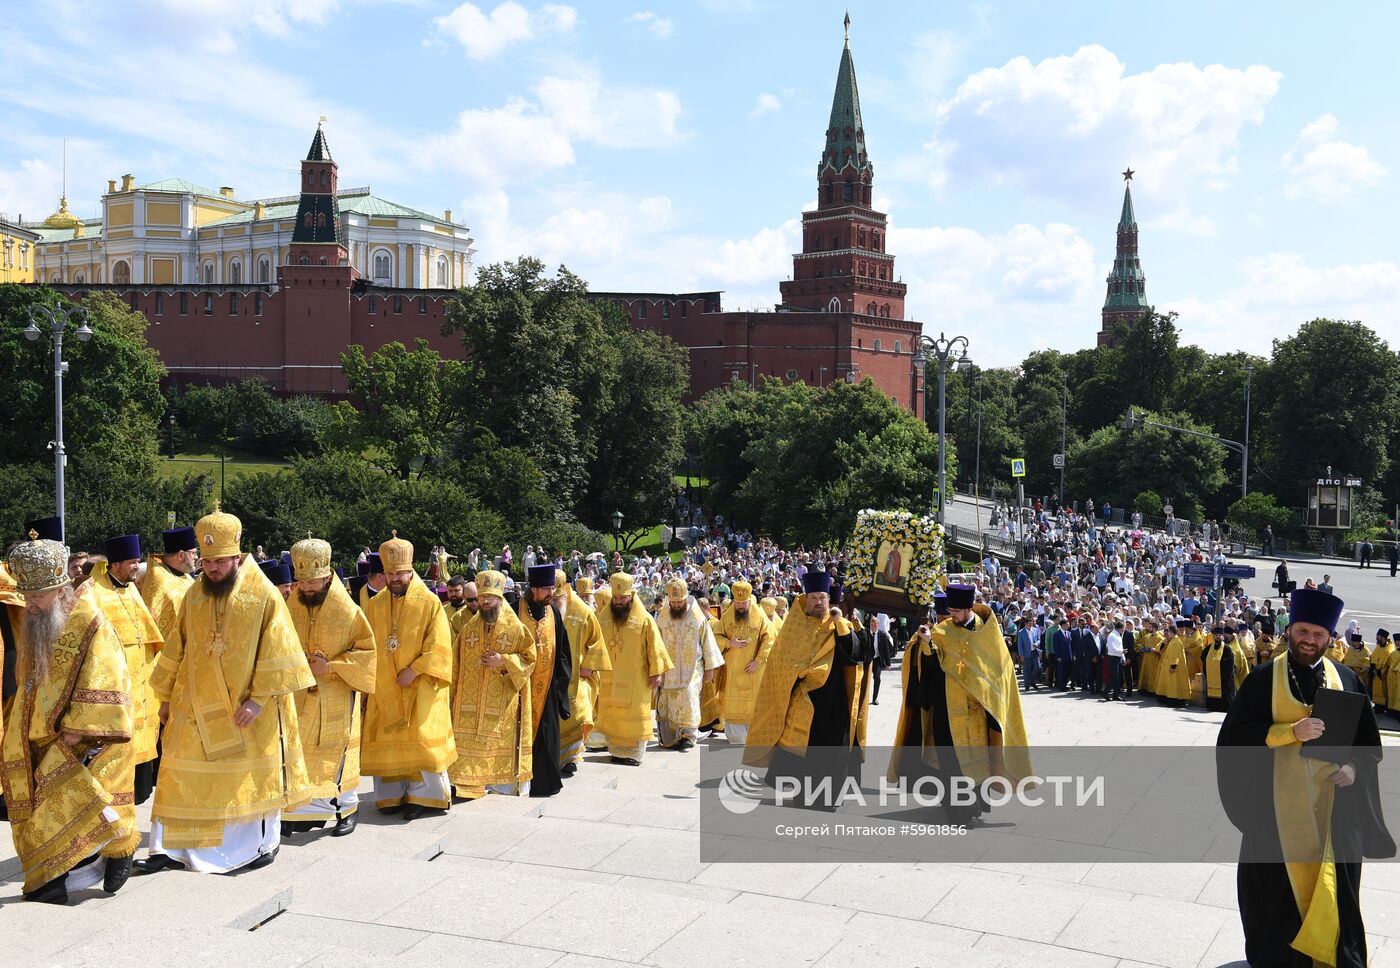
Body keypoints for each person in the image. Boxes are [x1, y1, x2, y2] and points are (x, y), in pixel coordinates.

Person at [1217, 588, 1395, 967]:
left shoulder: (1346, 679)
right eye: (1302, 632)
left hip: (1336, 812)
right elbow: (1233, 739)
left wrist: (1352, 768)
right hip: (1275, 812)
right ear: (1290, 631)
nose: (1309, 641)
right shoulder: (1263, 679)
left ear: (1330, 638)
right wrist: (1288, 733)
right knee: (1274, 895)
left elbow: (1369, 744)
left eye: (1318, 635)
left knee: (1338, 891)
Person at [137, 506, 315, 876]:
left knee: (244, 780)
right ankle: (171, 849)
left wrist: (258, 701)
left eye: (220, 561)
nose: (212, 568)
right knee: (179, 771)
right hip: (192, 705)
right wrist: (166, 698)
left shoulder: (263, 595)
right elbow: (177, 646)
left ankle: (255, 846)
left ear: (237, 556)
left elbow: (280, 653)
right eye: (207, 561)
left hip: (245, 708)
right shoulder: (195, 595)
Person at [3, 533, 134, 903]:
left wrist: (78, 730)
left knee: (68, 810)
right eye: (26, 596)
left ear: (61, 589)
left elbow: (107, 676)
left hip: (78, 738)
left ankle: (116, 849)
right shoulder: (37, 621)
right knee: (38, 815)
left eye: (37, 596)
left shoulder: (90, 622)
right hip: (32, 738)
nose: (29, 606)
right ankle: (53, 880)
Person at [888, 583, 1033, 825]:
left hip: (976, 712)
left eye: (954, 611)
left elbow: (1000, 671)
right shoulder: (943, 632)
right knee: (951, 762)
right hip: (945, 709)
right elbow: (931, 667)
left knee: (977, 760)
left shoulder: (987, 634)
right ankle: (958, 810)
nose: (950, 615)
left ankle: (975, 805)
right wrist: (925, 644)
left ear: (967, 609)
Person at [742, 572, 870, 808]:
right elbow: (780, 662)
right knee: (804, 751)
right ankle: (802, 795)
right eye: (813, 598)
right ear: (806, 599)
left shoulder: (842, 623)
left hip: (835, 700)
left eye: (822, 597)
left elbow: (856, 655)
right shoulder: (795, 625)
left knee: (831, 753)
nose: (818, 602)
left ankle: (828, 798)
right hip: (805, 699)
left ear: (829, 599)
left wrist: (840, 623)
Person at [281, 536, 376, 838]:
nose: (307, 588)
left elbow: (367, 653)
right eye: (302, 582)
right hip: (299, 692)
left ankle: (347, 809)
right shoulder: (291, 606)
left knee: (337, 751)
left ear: (327, 575)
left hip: (335, 691)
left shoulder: (348, 611)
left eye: (313, 582)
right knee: (302, 752)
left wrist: (331, 666)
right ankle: (305, 814)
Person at [85, 532, 165, 874]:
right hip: (113, 698)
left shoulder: (131, 589)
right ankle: (107, 844)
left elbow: (148, 638)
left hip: (142, 694)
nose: (138, 567)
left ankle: (120, 839)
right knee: (111, 778)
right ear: (115, 563)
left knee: (136, 781)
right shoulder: (91, 593)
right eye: (133, 562)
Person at [361, 531, 455, 819]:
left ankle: (425, 798)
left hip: (421, 685)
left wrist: (414, 670)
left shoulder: (429, 602)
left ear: (410, 570)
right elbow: (367, 645)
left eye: (400, 572)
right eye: (390, 574)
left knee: (421, 740)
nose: (395, 579)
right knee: (390, 741)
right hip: (385, 686)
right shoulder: (375, 604)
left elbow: (440, 646)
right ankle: (392, 797)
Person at [449, 570, 538, 799]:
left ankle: (502, 788)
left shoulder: (516, 629)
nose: (485, 602)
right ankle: (468, 787)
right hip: (468, 704)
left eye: (490, 598)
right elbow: (456, 663)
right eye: (481, 598)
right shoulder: (468, 629)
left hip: (503, 703)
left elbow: (530, 660)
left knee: (499, 746)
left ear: (500, 599)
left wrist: (504, 661)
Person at [594, 573, 672, 765]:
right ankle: (617, 751)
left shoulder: (644, 619)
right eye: (616, 598)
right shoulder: (603, 618)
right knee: (614, 712)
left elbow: (656, 647)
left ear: (631, 596)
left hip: (636, 677)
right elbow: (594, 643)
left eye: (623, 598)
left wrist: (657, 672)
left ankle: (633, 753)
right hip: (610, 676)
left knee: (634, 712)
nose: (619, 602)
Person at [517, 564, 571, 798]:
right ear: (534, 589)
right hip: (518, 686)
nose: (551, 593)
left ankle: (544, 784)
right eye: (547, 589)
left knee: (547, 738)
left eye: (552, 588)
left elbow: (563, 652)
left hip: (547, 686)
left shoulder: (554, 613)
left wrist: (561, 687)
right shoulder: (515, 609)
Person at [655, 577, 723, 751]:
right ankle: (672, 737)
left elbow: (707, 641)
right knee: (668, 701)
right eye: (673, 602)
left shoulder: (696, 615)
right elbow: (656, 642)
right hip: (669, 668)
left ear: (686, 598)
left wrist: (710, 668)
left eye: (680, 602)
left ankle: (689, 736)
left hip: (692, 668)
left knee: (690, 697)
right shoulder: (663, 614)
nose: (677, 605)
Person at [552, 571, 610, 774]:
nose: (553, 602)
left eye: (557, 599)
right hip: (551, 675)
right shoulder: (543, 610)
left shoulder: (582, 611)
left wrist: (590, 664)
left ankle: (571, 758)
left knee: (579, 713)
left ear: (565, 594)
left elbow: (596, 642)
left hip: (578, 676)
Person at [711, 579, 773, 743]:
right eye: (737, 603)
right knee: (733, 704)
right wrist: (729, 643)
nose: (740, 607)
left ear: (749, 600)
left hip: (754, 669)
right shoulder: (727, 616)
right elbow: (715, 635)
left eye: (743, 603)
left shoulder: (759, 616)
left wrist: (758, 661)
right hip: (732, 669)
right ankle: (736, 737)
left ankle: (753, 735)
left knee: (754, 704)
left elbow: (770, 640)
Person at [1370, 629, 1393, 712]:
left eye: (1379, 637)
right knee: (1376, 691)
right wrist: (1372, 669)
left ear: (1384, 638)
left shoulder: (1389, 650)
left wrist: (1379, 672)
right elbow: (1373, 657)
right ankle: (1377, 706)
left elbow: (1387, 665)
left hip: (1383, 676)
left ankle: (1385, 707)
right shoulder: (1378, 647)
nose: (1377, 638)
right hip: (1375, 675)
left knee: (1383, 692)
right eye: (1377, 636)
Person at [1016, 616, 1041, 692]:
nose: (1032, 624)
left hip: (1034, 652)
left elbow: (1039, 639)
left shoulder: (1035, 630)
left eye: (1032, 622)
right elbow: (1019, 645)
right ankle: (1027, 686)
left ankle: (1031, 680)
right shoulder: (1021, 632)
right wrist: (1021, 655)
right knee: (1027, 670)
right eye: (1030, 622)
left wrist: (1037, 643)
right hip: (1026, 653)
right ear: (1026, 623)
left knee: (1038, 667)